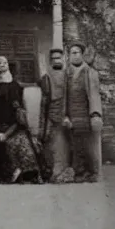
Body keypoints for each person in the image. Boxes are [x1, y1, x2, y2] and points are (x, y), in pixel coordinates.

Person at [0, 55, 43, 184]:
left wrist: (6, 134)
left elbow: (18, 117)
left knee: (21, 145)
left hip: (14, 128)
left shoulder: (14, 88)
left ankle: (24, 172)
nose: (1, 66)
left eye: (4, 63)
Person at [63, 41, 104, 183]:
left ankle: (91, 172)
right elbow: (64, 96)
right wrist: (65, 115)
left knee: (87, 144)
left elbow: (94, 94)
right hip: (72, 115)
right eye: (71, 53)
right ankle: (79, 171)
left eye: (77, 53)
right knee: (75, 144)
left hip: (85, 114)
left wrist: (95, 114)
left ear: (82, 55)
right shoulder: (67, 73)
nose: (74, 56)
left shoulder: (89, 72)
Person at [38, 48, 74, 183]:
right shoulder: (46, 77)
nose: (56, 60)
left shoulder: (68, 76)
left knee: (67, 145)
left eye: (59, 58)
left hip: (67, 116)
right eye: (53, 58)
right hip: (52, 116)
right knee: (52, 145)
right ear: (50, 61)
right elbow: (44, 101)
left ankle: (65, 172)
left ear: (63, 59)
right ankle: (54, 173)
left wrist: (68, 115)